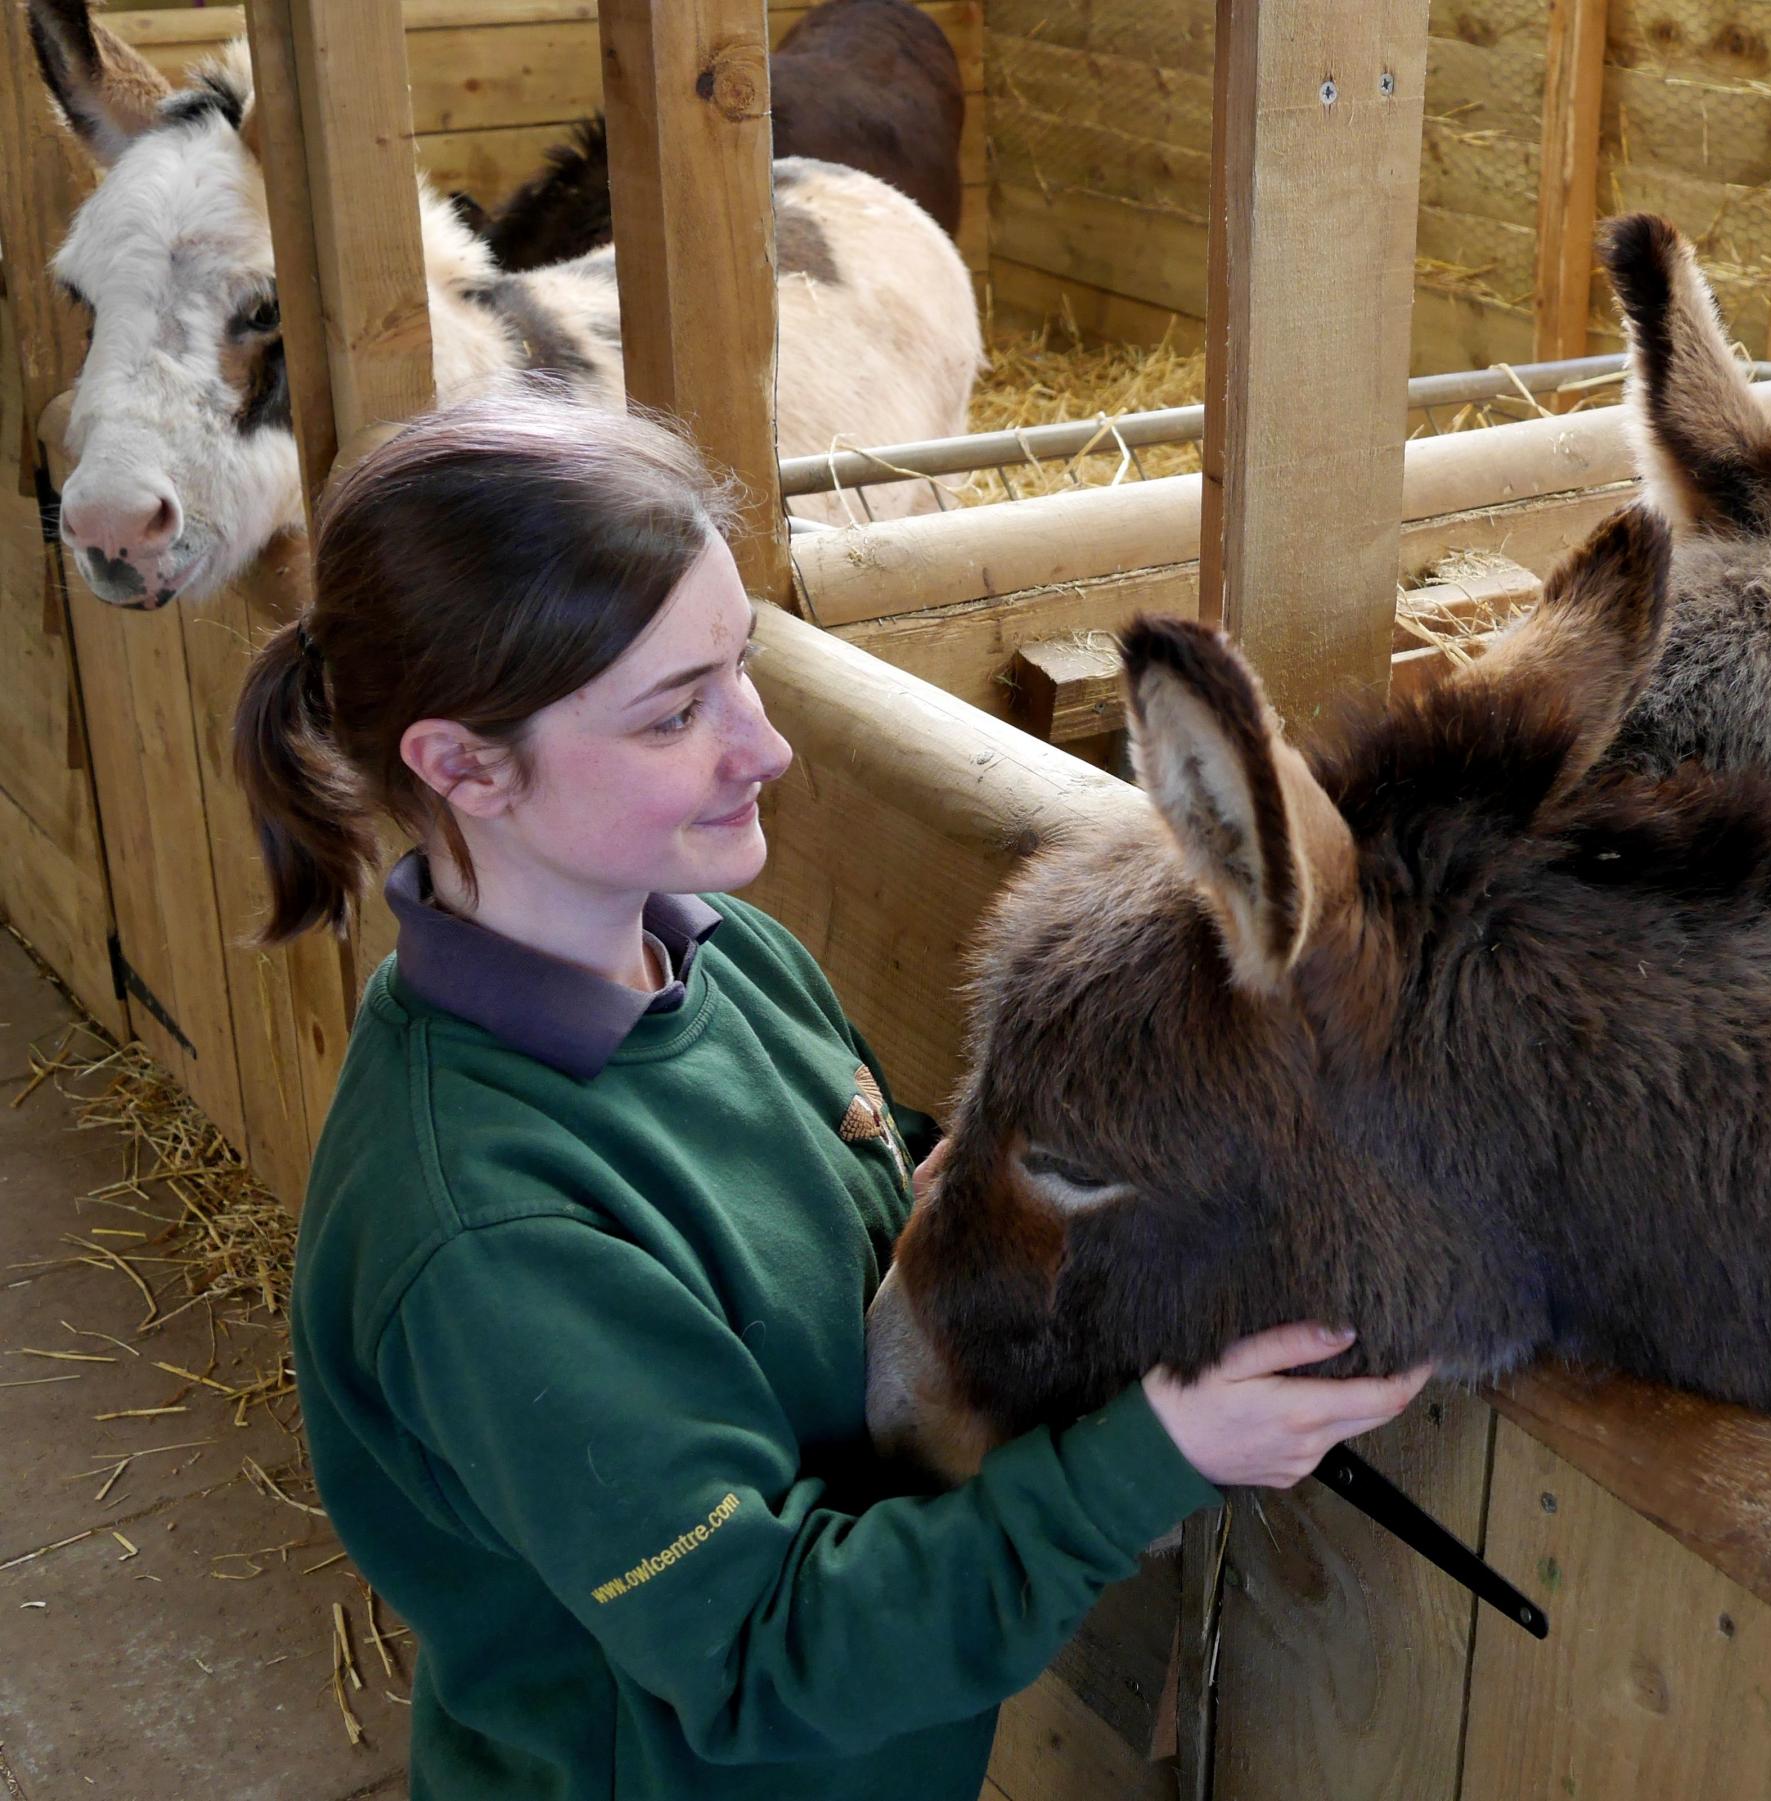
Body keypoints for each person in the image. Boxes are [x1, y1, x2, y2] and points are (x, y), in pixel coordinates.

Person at [232, 392, 1430, 1800]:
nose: (765, 745)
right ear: (461, 765)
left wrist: (961, 1175)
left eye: (735, 666)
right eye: (677, 711)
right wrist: (1153, 1459)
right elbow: (767, 1649)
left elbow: (859, 1203)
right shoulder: (483, 1232)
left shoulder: (719, 957)